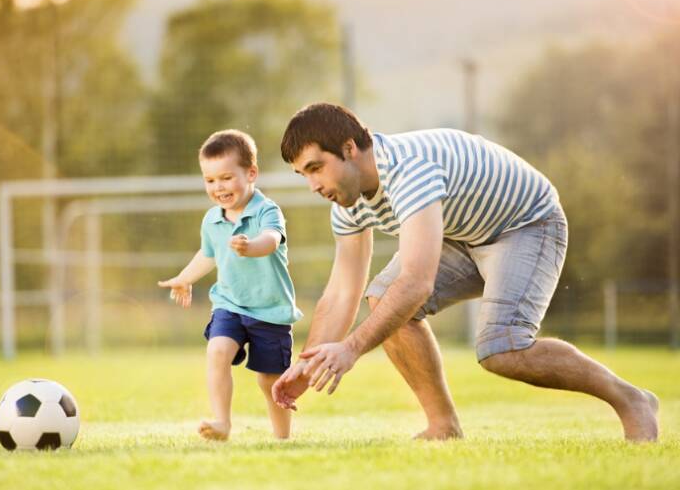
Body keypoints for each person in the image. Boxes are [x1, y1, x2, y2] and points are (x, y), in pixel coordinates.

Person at [270, 102, 659, 442]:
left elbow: (417, 283)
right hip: (463, 234)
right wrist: (309, 362)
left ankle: (631, 398)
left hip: (525, 225)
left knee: (502, 349)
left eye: (316, 168)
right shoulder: (346, 202)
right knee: (383, 298)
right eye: (303, 174)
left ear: (349, 148)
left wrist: (352, 348)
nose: (312, 185)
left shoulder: (409, 171)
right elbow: (341, 292)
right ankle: (443, 426)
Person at [159, 129, 302, 441]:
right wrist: (185, 278)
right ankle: (222, 422)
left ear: (251, 173)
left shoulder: (267, 210)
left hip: (270, 310)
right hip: (230, 304)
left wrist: (251, 246)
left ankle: (282, 437)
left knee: (269, 380)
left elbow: (271, 239)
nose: (218, 187)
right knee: (218, 350)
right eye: (210, 180)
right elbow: (208, 254)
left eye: (225, 178)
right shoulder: (212, 219)